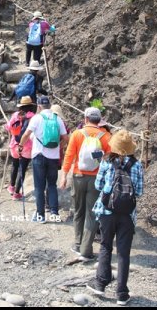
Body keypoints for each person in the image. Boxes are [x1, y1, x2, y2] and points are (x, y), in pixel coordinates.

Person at [86, 130, 143, 306]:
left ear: (115, 147)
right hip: (127, 215)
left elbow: (98, 185)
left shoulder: (106, 162)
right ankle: (122, 294)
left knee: (105, 246)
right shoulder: (137, 165)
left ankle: (100, 283)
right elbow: (139, 192)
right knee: (124, 253)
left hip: (106, 212)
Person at [59, 107, 112, 261]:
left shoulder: (77, 134)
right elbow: (109, 158)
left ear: (86, 119)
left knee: (78, 211)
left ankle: (77, 244)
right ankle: (86, 250)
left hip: (78, 176)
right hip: (96, 179)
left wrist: (64, 176)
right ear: (99, 120)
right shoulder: (106, 136)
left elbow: (69, 156)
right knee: (92, 213)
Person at [18, 101, 69, 223]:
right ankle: (54, 213)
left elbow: (26, 134)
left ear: (39, 106)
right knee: (52, 185)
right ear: (49, 106)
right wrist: (59, 146)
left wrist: (20, 146)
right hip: (53, 157)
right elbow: (66, 138)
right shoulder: (57, 119)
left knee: (39, 187)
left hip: (39, 156)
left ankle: (40, 216)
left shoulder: (36, 118)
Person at [4, 96, 36, 200]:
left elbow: (8, 127)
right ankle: (16, 193)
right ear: (31, 106)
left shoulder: (15, 115)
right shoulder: (33, 117)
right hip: (27, 146)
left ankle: (11, 187)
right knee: (22, 169)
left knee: (15, 165)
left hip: (14, 145)